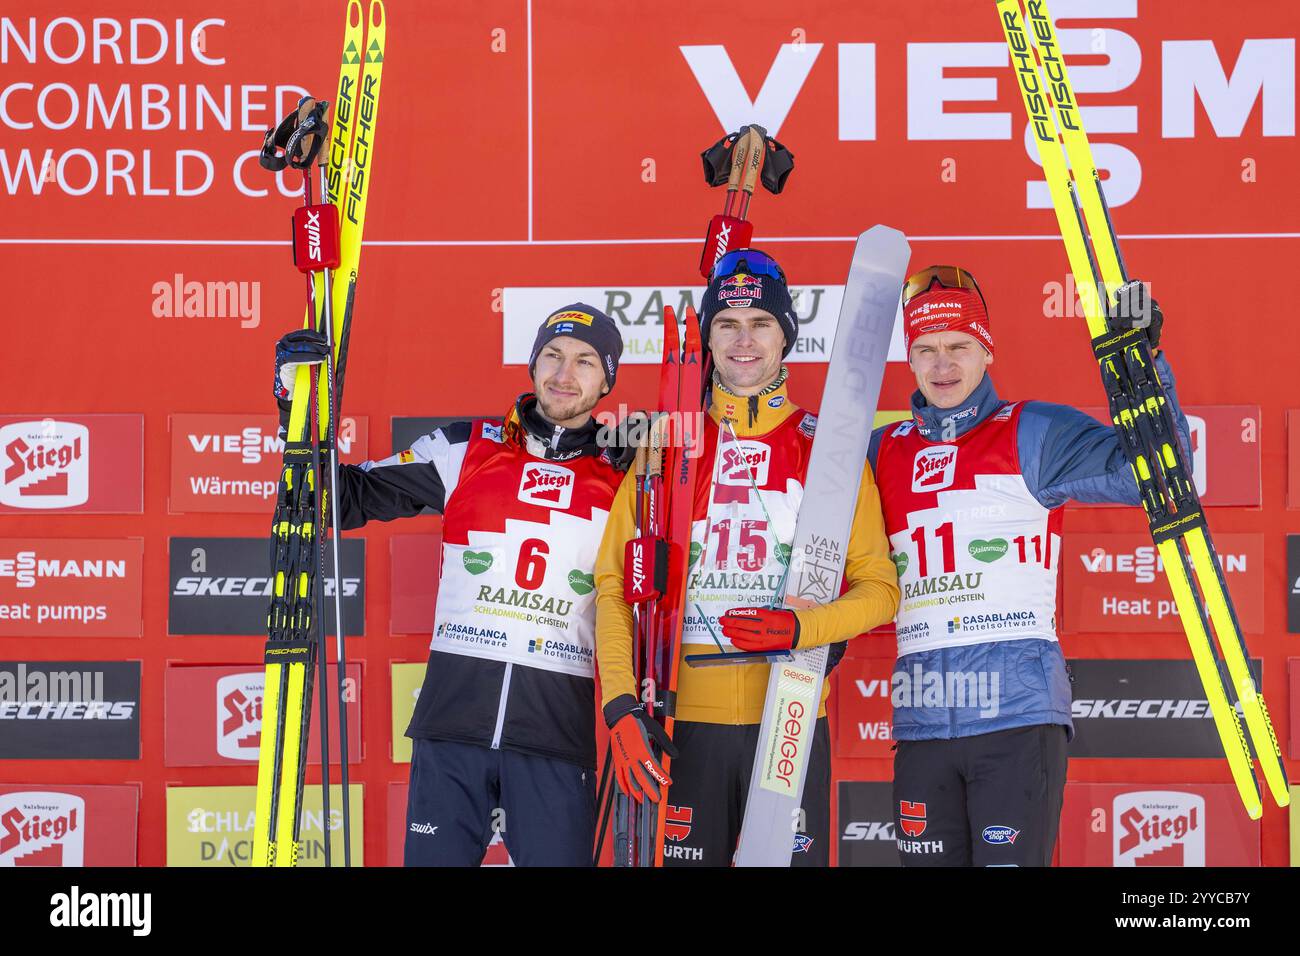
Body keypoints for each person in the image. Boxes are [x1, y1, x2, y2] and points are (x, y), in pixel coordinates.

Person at [273, 304, 629, 866]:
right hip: (452, 726)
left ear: (607, 379)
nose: (565, 374)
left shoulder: (628, 472)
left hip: (554, 736)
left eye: (585, 362)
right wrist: (298, 410)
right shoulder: (465, 447)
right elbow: (336, 500)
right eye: (553, 356)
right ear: (533, 363)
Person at [871, 265, 1187, 867]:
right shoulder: (883, 451)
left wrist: (1143, 365)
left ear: (986, 350)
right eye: (926, 350)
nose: (943, 366)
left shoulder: (1032, 431)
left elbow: (1158, 472)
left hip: (1016, 720)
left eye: (959, 347)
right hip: (922, 724)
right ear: (909, 360)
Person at [594, 249, 900, 866]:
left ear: (785, 335)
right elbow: (614, 587)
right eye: (727, 325)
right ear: (707, 338)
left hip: (787, 713)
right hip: (681, 720)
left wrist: (799, 627)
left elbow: (879, 588)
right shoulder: (668, 443)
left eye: (760, 323)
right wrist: (622, 704)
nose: (743, 340)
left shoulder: (826, 447)